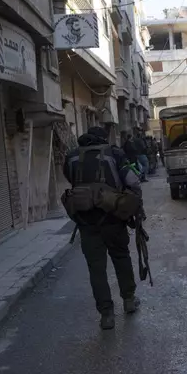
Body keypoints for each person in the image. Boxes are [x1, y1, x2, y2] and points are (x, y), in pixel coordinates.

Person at [63, 127, 143, 329]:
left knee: (96, 269)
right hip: (113, 218)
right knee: (121, 258)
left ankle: (106, 315)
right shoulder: (114, 153)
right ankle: (129, 300)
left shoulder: (72, 157)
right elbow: (133, 181)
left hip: (86, 223)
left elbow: (71, 180)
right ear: (103, 139)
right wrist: (131, 203)